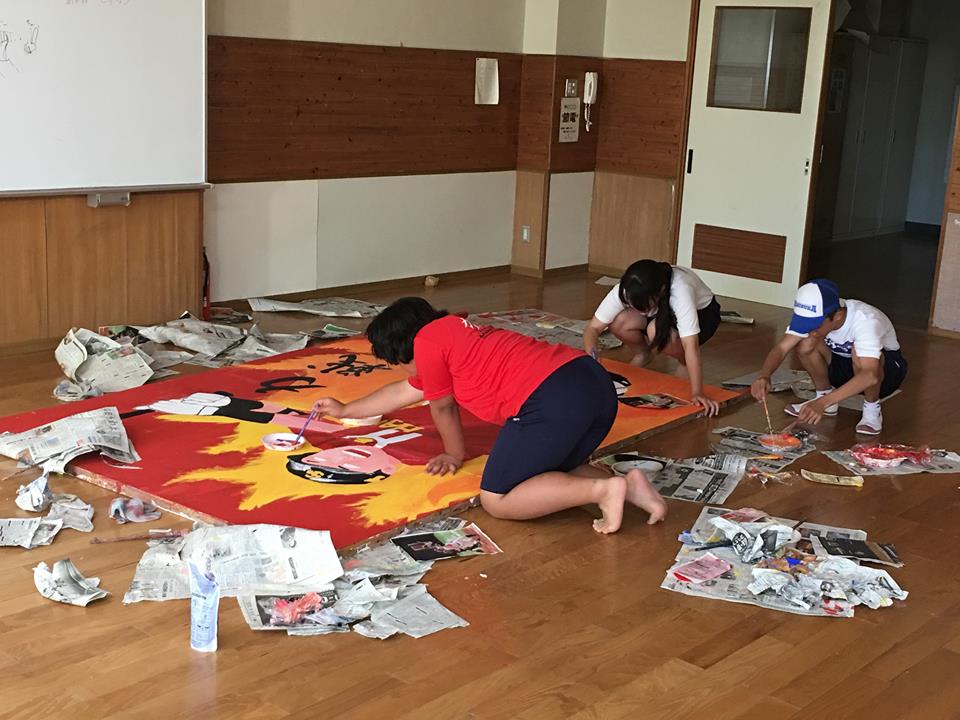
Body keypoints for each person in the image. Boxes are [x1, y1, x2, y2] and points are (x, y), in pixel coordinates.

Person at [314, 297, 668, 534]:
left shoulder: (427, 343)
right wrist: (345, 409)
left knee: (497, 498)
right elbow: (405, 391)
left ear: (403, 349)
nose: (406, 371)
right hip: (593, 384)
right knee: (548, 470)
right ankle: (631, 489)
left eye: (399, 363)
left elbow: (442, 406)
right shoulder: (455, 332)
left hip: (552, 398)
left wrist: (453, 454)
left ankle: (602, 489)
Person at [750, 279, 907, 435]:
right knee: (806, 341)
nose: (811, 330)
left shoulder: (866, 320)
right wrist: (765, 376)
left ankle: (872, 410)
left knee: (858, 353)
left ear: (838, 315)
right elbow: (781, 348)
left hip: (884, 375)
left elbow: (870, 375)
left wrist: (822, 404)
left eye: (816, 325)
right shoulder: (816, 314)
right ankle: (824, 396)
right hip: (843, 367)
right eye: (806, 324)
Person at [584, 260, 722, 416]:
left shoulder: (680, 291)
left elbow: (691, 345)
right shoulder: (626, 289)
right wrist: (592, 358)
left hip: (703, 316)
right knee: (618, 321)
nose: (640, 312)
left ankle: (683, 361)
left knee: (655, 331)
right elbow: (593, 328)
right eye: (633, 305)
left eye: (644, 306)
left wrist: (698, 392)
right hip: (661, 314)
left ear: (660, 292)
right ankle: (643, 354)